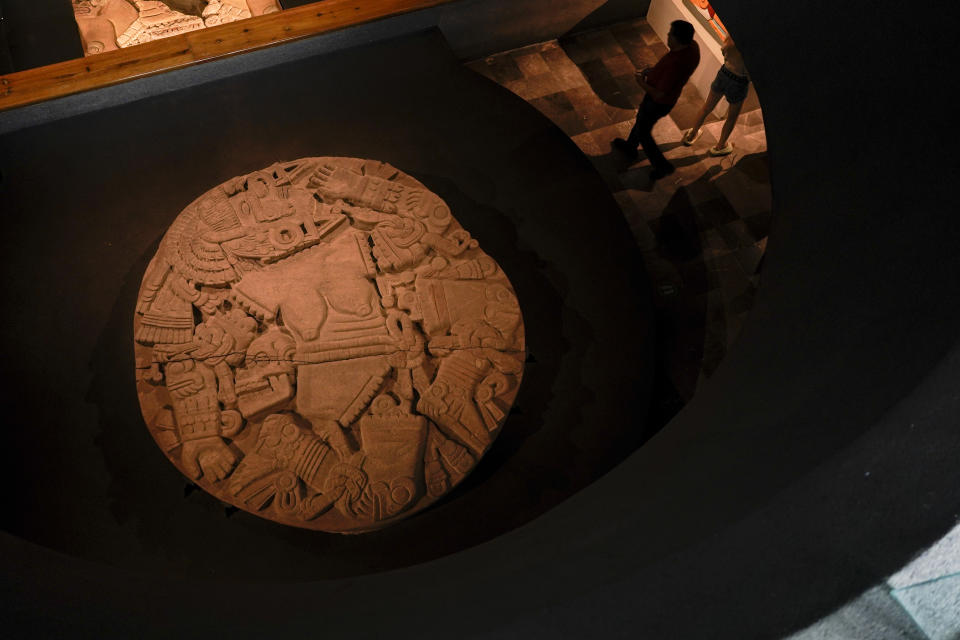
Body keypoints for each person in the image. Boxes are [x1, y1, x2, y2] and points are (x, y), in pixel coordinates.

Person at [613, 20, 700, 180]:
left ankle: (662, 166)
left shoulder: (675, 64)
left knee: (644, 132)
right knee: (641, 122)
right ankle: (630, 147)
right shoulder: (693, 48)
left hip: (657, 103)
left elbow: (659, 94)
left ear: (676, 39)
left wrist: (641, 82)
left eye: (670, 33)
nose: (667, 35)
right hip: (666, 99)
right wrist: (652, 71)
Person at [681, 35, 750, 156]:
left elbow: (724, 49)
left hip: (724, 72)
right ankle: (720, 146)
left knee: (706, 107)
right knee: (732, 117)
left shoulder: (734, 32)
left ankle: (692, 135)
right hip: (740, 81)